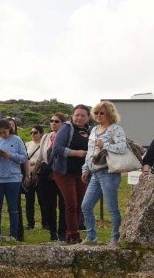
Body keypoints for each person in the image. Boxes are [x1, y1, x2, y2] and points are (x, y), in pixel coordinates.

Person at [82, 101, 128, 246]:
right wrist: (85, 169)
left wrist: (105, 145)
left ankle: (115, 238)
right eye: (96, 113)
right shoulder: (94, 129)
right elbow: (90, 152)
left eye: (102, 113)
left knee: (112, 208)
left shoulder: (116, 129)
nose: (98, 115)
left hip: (109, 172)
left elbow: (122, 147)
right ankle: (91, 237)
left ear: (110, 114)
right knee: (86, 206)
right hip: (94, 173)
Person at [51, 105, 91, 244]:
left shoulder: (90, 130)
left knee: (80, 203)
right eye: (77, 115)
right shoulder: (66, 128)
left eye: (83, 115)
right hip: (64, 171)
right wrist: (77, 153)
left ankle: (76, 232)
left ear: (88, 117)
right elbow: (57, 148)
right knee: (71, 203)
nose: (79, 118)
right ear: (72, 116)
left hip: (81, 172)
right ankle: (71, 235)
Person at [0, 119, 27, 240]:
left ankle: (13, 235)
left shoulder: (17, 140)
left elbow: (24, 157)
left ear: (9, 129)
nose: (2, 135)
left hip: (13, 178)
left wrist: (10, 155)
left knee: (13, 208)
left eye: (4, 132)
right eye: (0, 133)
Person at [34, 114, 66, 241]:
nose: (53, 123)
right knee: (49, 204)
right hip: (46, 172)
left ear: (62, 123)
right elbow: (40, 157)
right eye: (51, 121)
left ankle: (63, 232)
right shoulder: (46, 137)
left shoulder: (66, 137)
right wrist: (34, 173)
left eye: (56, 121)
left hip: (61, 172)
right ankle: (53, 232)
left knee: (63, 204)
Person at [24, 125, 45, 230]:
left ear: (41, 133)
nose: (33, 134)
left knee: (43, 200)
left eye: (35, 132)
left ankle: (45, 223)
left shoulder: (44, 145)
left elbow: (43, 160)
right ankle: (30, 223)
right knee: (29, 201)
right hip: (29, 175)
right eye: (31, 132)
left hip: (40, 175)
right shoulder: (27, 144)